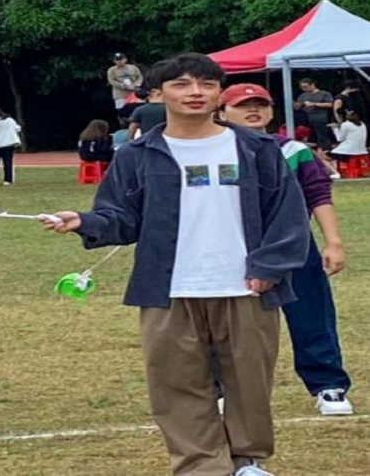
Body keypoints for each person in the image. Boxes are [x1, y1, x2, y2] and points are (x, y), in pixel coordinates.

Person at [42, 53, 309, 476]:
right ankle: (202, 466)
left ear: (219, 93)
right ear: (157, 94)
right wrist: (85, 221)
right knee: (176, 385)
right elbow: (121, 217)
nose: (195, 93)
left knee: (250, 383)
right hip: (168, 289)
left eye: (206, 84)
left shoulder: (257, 148)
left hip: (245, 287)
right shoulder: (136, 154)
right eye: (182, 84)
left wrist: (268, 267)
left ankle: (248, 461)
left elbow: (287, 214)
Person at [219, 83, 353, 416]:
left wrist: (333, 242)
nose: (253, 110)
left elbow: (318, 194)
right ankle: (224, 388)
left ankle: (328, 386)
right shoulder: (210, 152)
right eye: (242, 105)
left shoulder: (293, 150)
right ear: (221, 112)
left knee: (311, 315)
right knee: (230, 322)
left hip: (294, 245)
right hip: (232, 246)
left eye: (260, 104)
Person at [295, 78, 334, 151]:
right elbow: (297, 107)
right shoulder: (302, 96)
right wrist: (297, 105)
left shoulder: (324, 94)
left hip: (320, 119)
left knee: (322, 137)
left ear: (312, 85)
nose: (304, 89)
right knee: (308, 138)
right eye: (302, 87)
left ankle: (325, 151)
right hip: (306, 120)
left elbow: (330, 104)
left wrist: (314, 104)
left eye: (305, 87)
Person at [127, 71, 167, 138]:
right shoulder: (169, 109)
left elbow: (133, 127)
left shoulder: (140, 109)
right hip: (165, 138)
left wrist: (130, 140)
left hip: (147, 139)